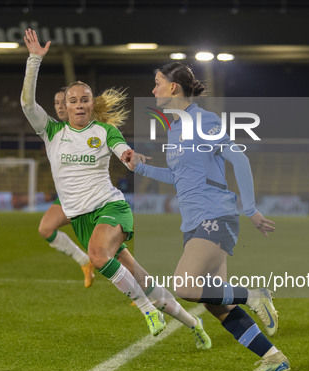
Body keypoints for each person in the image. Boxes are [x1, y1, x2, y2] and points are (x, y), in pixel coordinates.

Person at [21, 29, 211, 344]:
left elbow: (120, 147)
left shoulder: (103, 130)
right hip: (81, 219)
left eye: (85, 100)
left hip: (111, 209)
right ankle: (194, 325)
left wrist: (128, 156)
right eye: (73, 101)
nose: (79, 105)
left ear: (92, 105)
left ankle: (147, 309)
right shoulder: (52, 132)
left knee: (97, 254)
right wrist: (34, 61)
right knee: (141, 278)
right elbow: (28, 104)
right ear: (65, 107)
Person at [122, 62, 290, 371]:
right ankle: (273, 358)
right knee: (218, 304)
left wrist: (250, 208)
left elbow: (239, 157)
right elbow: (178, 176)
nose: (153, 89)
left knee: (184, 285)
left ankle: (254, 294)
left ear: (174, 87)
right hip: (195, 221)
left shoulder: (203, 120)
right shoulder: (174, 128)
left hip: (216, 214)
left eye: (157, 82)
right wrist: (139, 168)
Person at [37, 87, 95, 288]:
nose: (60, 106)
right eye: (56, 103)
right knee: (46, 228)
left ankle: (145, 290)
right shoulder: (54, 130)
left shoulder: (87, 128)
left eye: (64, 101)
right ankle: (84, 261)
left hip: (90, 198)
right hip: (67, 198)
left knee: (108, 250)